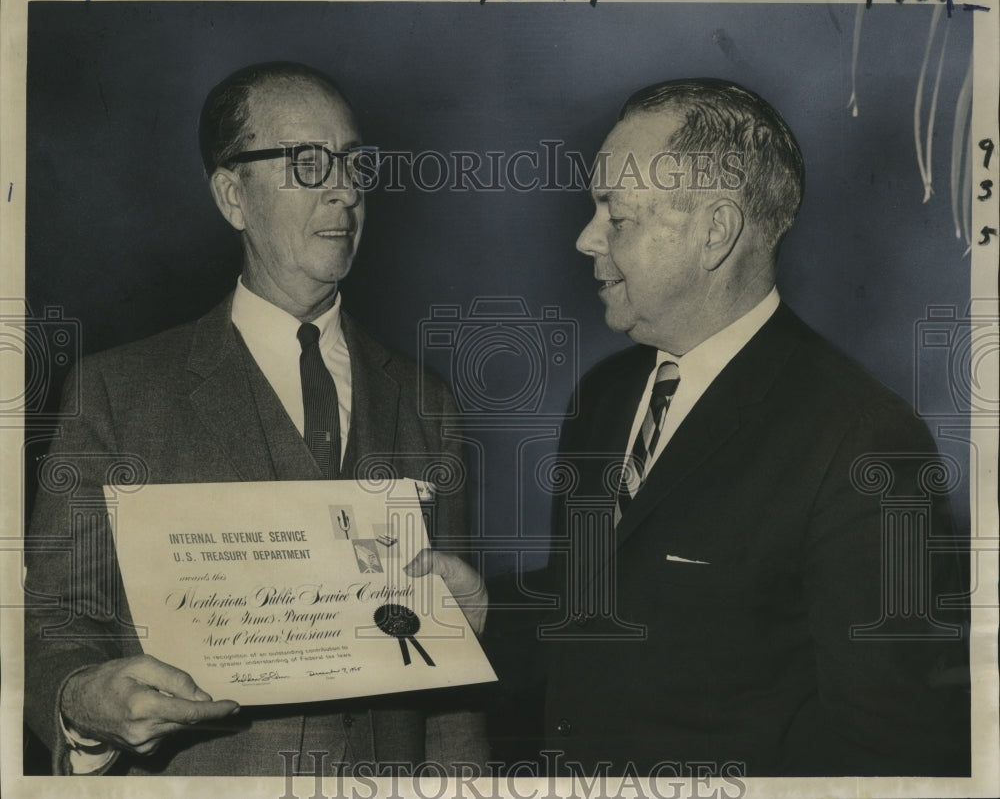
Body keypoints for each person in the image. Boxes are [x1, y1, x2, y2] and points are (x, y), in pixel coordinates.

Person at [489, 78, 969, 776]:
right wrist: (483, 607)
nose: (585, 237)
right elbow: (595, 614)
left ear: (713, 232)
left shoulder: (864, 439)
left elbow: (888, 751)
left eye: (615, 215)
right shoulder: (605, 396)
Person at [23, 61, 487, 776]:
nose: (344, 188)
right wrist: (84, 702)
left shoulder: (426, 403)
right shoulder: (116, 391)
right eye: (307, 163)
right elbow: (54, 621)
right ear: (233, 195)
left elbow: (453, 688)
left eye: (354, 163)